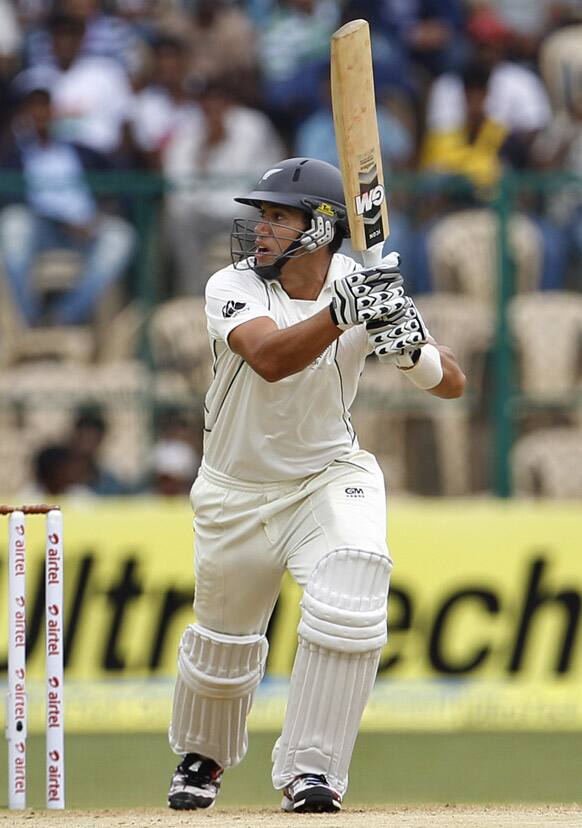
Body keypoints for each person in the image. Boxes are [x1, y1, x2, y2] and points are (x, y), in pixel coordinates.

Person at [166, 158, 465, 813]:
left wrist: (407, 345)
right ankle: (204, 756)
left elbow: (454, 383)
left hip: (328, 475)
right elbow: (270, 358)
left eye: (278, 216)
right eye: (263, 214)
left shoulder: (364, 283)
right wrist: (344, 312)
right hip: (235, 492)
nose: (261, 228)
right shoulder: (231, 285)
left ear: (321, 228)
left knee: (354, 591)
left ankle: (313, 771)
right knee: (226, 644)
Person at [0, 78, 135, 326]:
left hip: (86, 227)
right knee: (12, 224)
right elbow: (9, 198)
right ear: (24, 116)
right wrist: (62, 223)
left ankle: (64, 315)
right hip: (41, 230)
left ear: (55, 112)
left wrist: (101, 213)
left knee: (121, 236)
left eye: (45, 107)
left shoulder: (80, 150)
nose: (40, 114)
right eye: (33, 108)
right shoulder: (12, 155)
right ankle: (29, 320)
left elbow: (120, 181)